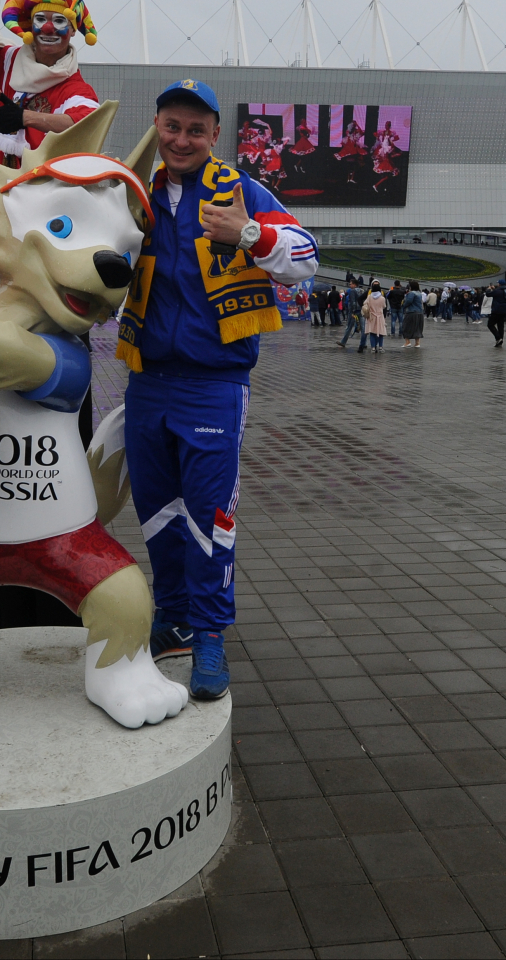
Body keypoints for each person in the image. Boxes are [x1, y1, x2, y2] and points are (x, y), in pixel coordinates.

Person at [116, 78, 318, 700]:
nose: (181, 140)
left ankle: (209, 634)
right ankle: (172, 617)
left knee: (210, 516)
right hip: (146, 380)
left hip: (214, 383)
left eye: (195, 130)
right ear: (156, 127)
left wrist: (249, 235)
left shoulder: (241, 191)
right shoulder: (132, 190)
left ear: (213, 136)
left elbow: (308, 256)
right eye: (171, 128)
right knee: (156, 513)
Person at [0, 0, 100, 180]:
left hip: (41, 204)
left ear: (73, 30)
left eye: (59, 20)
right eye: (40, 19)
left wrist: (24, 118)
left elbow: (87, 123)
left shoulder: (75, 89)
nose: (48, 28)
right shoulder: (8, 61)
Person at [338, 277, 365, 348]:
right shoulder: (362, 290)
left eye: (351, 284)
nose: (350, 285)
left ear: (355, 285)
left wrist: (353, 311)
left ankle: (343, 342)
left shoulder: (352, 291)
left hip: (354, 311)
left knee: (349, 327)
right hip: (361, 311)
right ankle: (363, 343)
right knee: (363, 328)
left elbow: (353, 301)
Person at [361, 284, 387, 351]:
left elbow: (365, 303)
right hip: (380, 316)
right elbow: (384, 306)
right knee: (381, 332)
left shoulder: (369, 297)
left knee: (372, 332)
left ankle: (373, 347)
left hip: (371, 316)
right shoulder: (382, 298)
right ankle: (380, 347)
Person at [400, 280, 425, 347]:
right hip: (420, 312)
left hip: (412, 312)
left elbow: (408, 302)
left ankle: (407, 342)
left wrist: (403, 305)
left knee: (406, 326)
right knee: (417, 328)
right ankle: (417, 343)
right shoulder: (419, 293)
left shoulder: (411, 293)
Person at [486, 280, 506, 346]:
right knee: (500, 326)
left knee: (490, 324)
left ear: (500, 284)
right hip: (504, 311)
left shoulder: (497, 291)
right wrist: (494, 289)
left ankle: (498, 338)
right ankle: (500, 341)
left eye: (498, 283)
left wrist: (489, 289)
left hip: (496, 310)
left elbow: (488, 294)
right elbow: (498, 293)